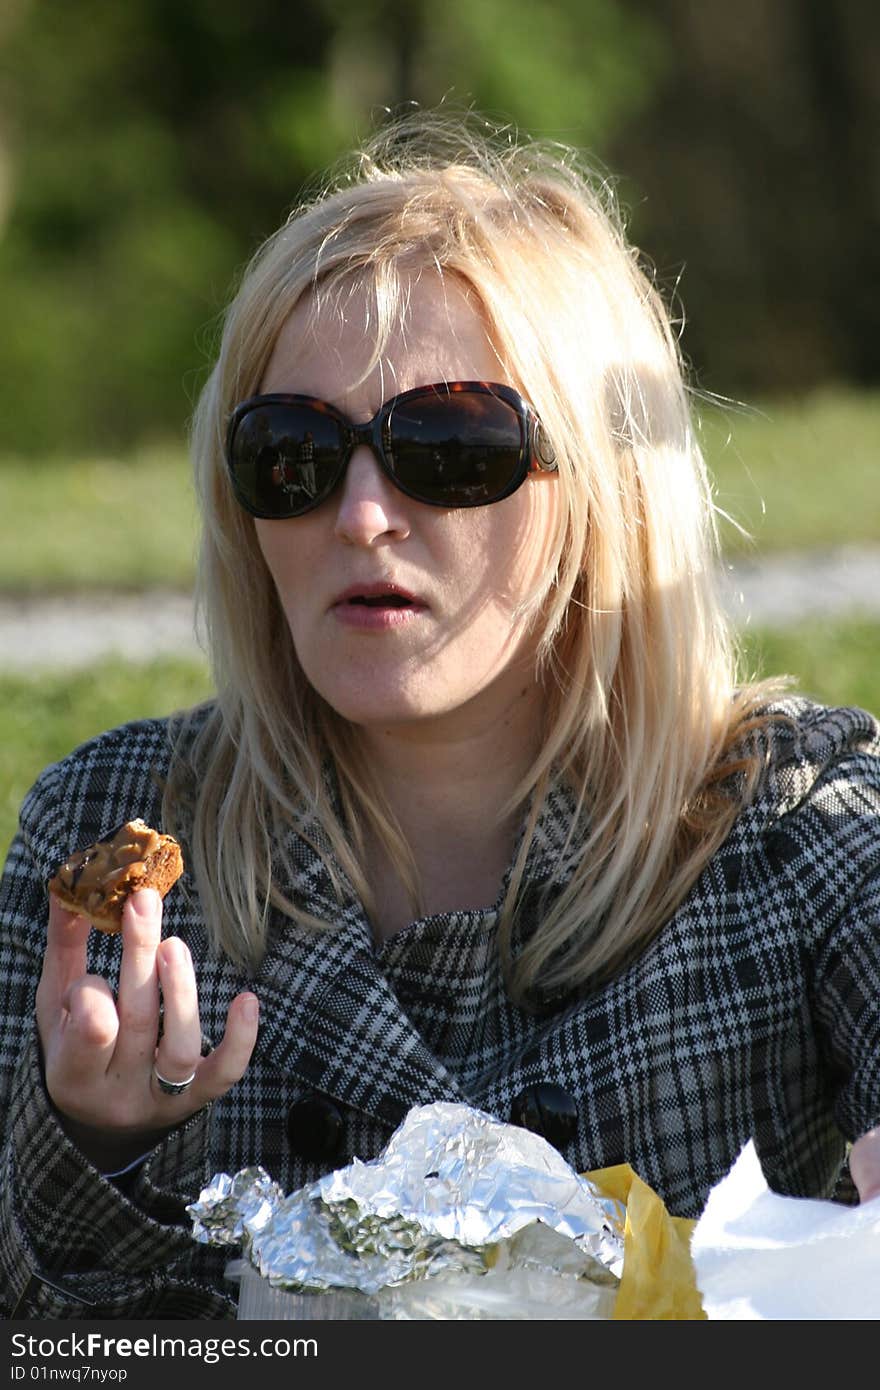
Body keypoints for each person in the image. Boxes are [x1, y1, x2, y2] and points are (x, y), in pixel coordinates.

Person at [1, 110, 878, 1321]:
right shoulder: (115, 832)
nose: (360, 515)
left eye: (451, 446)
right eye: (294, 454)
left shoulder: (796, 829)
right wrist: (94, 1151)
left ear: (608, 487)